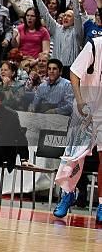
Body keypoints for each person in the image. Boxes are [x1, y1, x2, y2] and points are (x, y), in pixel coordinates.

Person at [53, 37, 102, 223]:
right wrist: (80, 100)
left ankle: (101, 205)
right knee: (74, 157)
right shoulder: (95, 45)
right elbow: (74, 73)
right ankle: (68, 194)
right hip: (86, 107)